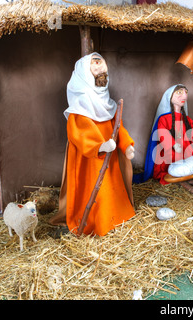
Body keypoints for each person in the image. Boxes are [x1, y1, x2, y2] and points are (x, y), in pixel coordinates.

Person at [49, 52, 136, 236]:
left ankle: (116, 217)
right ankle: (99, 222)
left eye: (102, 63)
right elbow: (79, 131)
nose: (101, 68)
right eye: (95, 63)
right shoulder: (80, 103)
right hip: (88, 158)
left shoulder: (107, 102)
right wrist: (100, 146)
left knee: (112, 187)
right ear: (83, 73)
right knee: (96, 191)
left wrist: (126, 145)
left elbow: (117, 126)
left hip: (109, 158)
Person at [133, 84, 193, 185]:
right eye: (179, 92)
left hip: (184, 150)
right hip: (170, 152)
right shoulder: (163, 119)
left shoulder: (187, 119)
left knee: (187, 162)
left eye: (186, 92)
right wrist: (173, 144)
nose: (184, 96)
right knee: (169, 161)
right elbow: (163, 133)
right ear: (170, 96)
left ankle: (185, 173)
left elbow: (191, 130)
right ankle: (171, 174)